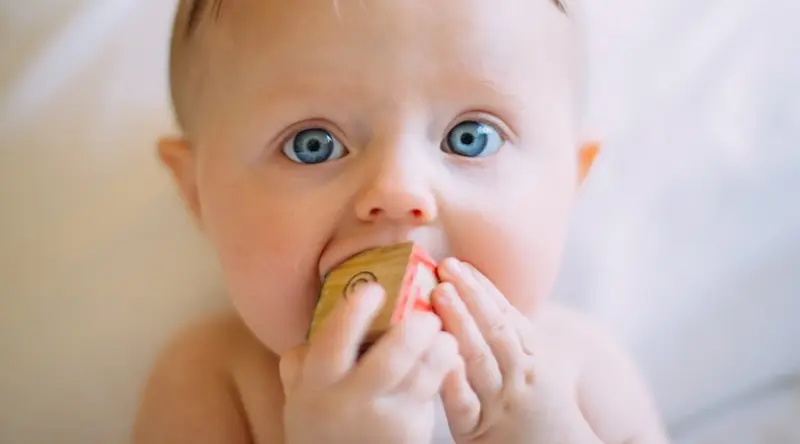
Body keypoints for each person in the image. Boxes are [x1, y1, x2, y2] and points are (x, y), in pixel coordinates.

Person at [133, 0, 669, 442]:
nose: (398, 191)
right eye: (312, 145)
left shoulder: (582, 370)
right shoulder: (212, 381)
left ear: (570, 183)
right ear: (197, 194)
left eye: (471, 137)